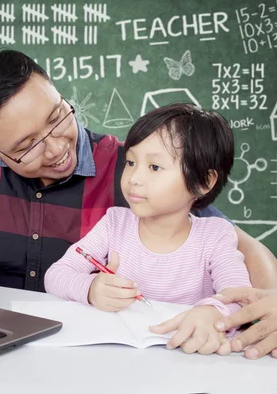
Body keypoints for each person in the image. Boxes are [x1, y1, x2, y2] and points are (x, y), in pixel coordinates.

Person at [0, 49, 277, 360]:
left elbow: (236, 243)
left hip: (95, 357)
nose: (58, 147)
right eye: (27, 147)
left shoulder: (134, 170)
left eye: (59, 117)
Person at [44, 103, 251, 355]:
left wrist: (211, 312)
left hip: (189, 360)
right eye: (130, 162)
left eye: (154, 167)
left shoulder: (215, 236)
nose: (134, 178)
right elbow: (56, 275)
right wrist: (90, 289)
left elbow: (240, 298)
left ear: (203, 182)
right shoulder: (114, 223)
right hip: (121, 357)